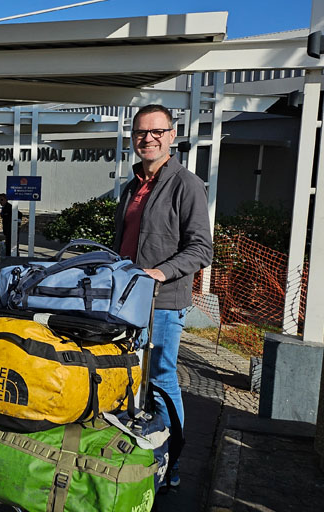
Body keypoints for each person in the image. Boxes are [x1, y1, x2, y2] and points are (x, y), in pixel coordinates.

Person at [112, 104, 213, 487]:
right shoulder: (131, 186)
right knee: (130, 377)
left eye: (157, 131)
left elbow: (201, 248)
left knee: (161, 378)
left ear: (172, 136)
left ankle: (169, 464)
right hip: (125, 299)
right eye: (141, 132)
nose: (148, 138)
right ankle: (136, 451)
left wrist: (160, 272)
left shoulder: (186, 184)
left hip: (163, 302)